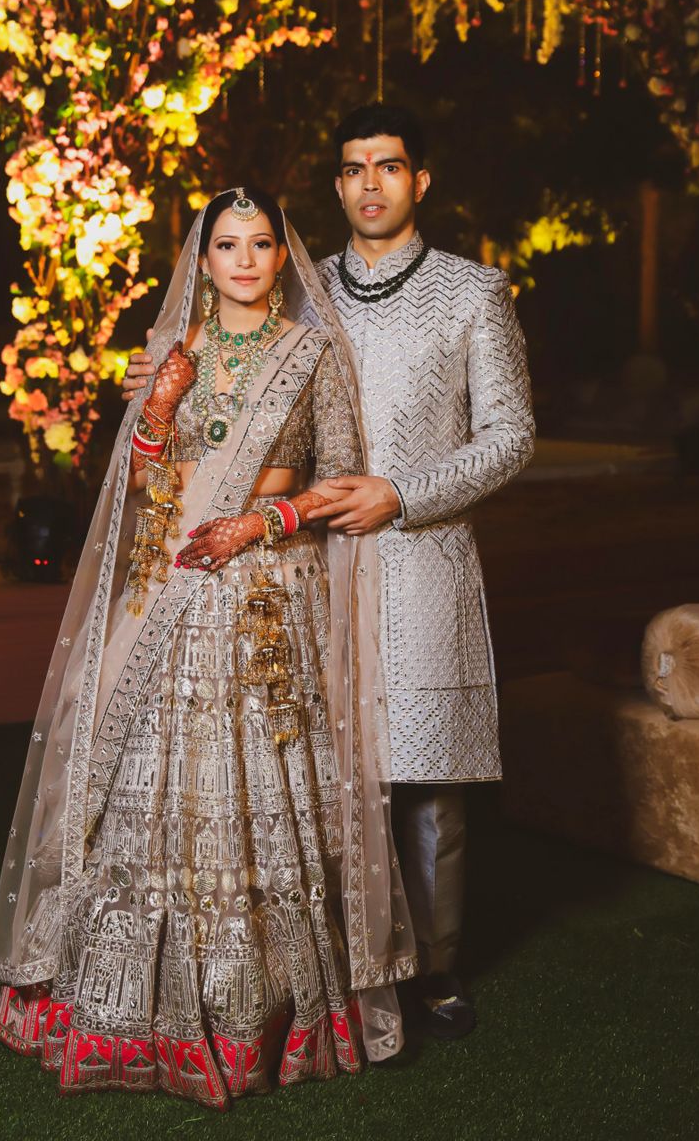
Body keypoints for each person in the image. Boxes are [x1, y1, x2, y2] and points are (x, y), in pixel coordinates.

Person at [0, 185, 417, 1111]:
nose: (247, 261)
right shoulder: (172, 353)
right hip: (173, 587)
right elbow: (140, 483)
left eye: (262, 244)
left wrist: (259, 520)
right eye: (228, 245)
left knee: (257, 780)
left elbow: (342, 482)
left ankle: (257, 1011)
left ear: (281, 255)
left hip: (264, 591)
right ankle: (126, 1008)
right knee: (146, 787)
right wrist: (156, 411)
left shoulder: (313, 353)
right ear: (204, 258)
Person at [125, 104, 535, 1038]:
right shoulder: (301, 296)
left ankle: (434, 968)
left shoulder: (475, 293)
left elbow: (511, 437)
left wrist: (404, 494)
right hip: (303, 562)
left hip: (422, 556)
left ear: (419, 181)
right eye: (353, 170)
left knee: (428, 779)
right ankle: (331, 962)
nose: (371, 185)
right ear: (337, 186)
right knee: (314, 772)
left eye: (389, 167)